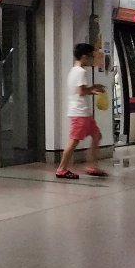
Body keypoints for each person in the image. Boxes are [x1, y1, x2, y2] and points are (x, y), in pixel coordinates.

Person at [56, 43, 108, 179]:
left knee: (97, 135)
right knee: (73, 141)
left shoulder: (74, 70)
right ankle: (62, 169)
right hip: (79, 113)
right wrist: (94, 89)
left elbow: (79, 91)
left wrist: (93, 89)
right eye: (91, 56)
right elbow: (81, 91)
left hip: (83, 112)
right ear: (84, 57)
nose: (92, 60)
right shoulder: (81, 72)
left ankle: (92, 165)